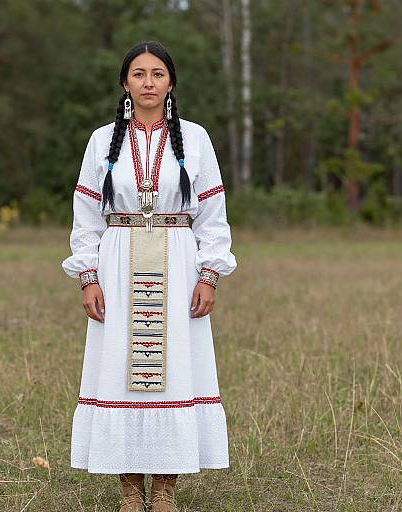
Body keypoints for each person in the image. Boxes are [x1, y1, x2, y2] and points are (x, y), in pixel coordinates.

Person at [61, 40, 238, 512]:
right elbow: (86, 217)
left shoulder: (196, 139)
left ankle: (164, 487)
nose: (148, 83)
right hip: (119, 263)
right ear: (125, 83)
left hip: (176, 263)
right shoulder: (102, 141)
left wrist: (209, 274)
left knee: (175, 368)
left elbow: (213, 216)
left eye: (157, 74)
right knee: (119, 367)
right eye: (138, 74)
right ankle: (128, 489)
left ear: (171, 82)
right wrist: (89, 277)